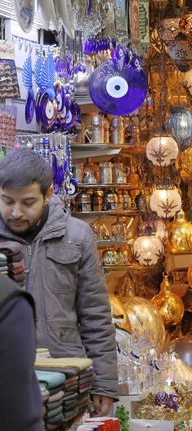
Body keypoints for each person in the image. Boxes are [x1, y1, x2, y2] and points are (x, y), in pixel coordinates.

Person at [0, 149, 116, 415]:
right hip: (7, 380)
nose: (16, 212)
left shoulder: (76, 236)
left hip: (67, 381)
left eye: (28, 202)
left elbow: (96, 316)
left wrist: (105, 385)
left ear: (48, 194)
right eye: (7, 201)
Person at [0, 273, 43, 429]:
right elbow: (18, 414)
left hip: (64, 355)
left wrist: (103, 383)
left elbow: (93, 311)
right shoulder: (9, 301)